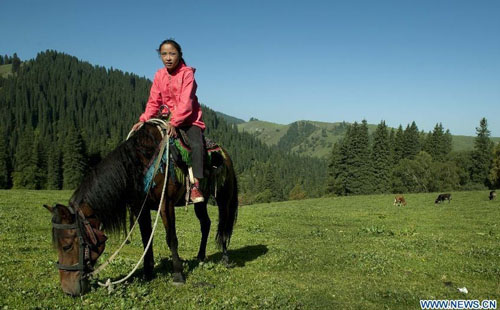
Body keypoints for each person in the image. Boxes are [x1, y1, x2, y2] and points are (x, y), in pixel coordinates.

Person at [131, 39, 205, 203]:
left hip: (189, 120)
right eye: (164, 54)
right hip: (165, 119)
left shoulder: (187, 74)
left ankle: (196, 185)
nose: (168, 58)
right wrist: (143, 120)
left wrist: (175, 122)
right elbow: (153, 102)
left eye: (172, 53)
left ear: (180, 55)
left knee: (197, 145)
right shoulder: (159, 75)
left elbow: (186, 103)